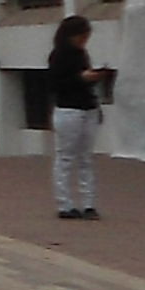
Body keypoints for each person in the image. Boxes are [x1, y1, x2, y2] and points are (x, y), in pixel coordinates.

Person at [45, 13, 105, 219]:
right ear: (71, 35)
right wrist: (81, 78)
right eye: (81, 35)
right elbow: (55, 85)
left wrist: (92, 79)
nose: (84, 40)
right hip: (68, 108)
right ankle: (64, 203)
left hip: (87, 107)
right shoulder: (58, 55)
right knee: (66, 156)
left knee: (86, 157)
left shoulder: (82, 54)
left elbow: (83, 82)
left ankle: (89, 203)